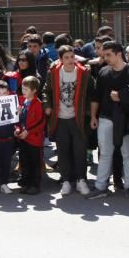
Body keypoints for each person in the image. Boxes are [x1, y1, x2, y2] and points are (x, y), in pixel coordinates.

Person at [87, 41, 129, 201]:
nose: (105, 58)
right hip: (105, 117)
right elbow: (96, 96)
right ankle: (100, 186)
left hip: (127, 120)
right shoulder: (103, 72)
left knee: (128, 153)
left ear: (119, 54)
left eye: (108, 55)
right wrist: (93, 116)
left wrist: (122, 95)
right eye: (104, 55)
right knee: (105, 154)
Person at [43, 45, 94, 196]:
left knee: (80, 151)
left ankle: (81, 180)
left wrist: (90, 114)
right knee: (62, 150)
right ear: (60, 59)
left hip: (78, 119)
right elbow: (46, 90)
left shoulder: (84, 73)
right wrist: (47, 105)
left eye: (72, 56)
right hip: (60, 118)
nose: (71, 60)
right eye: (66, 57)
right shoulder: (53, 72)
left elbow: (92, 94)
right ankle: (65, 181)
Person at [16, 76, 45, 194]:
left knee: (35, 162)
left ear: (34, 91)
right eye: (23, 89)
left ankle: (35, 184)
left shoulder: (38, 104)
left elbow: (40, 122)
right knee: (24, 161)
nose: (24, 92)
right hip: (23, 138)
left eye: (26, 89)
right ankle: (26, 182)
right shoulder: (21, 101)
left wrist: (28, 131)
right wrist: (17, 129)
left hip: (34, 138)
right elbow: (18, 120)